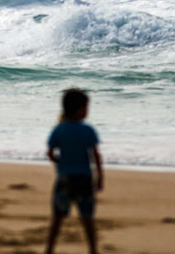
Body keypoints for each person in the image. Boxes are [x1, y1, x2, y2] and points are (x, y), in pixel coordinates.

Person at [45, 88, 103, 254]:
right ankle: (93, 249)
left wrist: (60, 163)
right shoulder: (88, 130)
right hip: (84, 178)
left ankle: (49, 249)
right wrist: (100, 178)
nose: (87, 111)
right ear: (79, 109)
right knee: (87, 218)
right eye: (86, 107)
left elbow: (50, 153)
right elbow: (95, 156)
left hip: (64, 178)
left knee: (58, 218)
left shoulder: (59, 130)